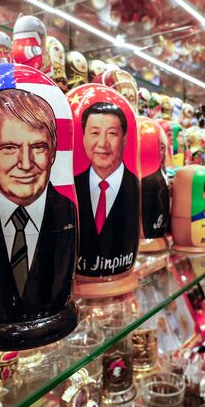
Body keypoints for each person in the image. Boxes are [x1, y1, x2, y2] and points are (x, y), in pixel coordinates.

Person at [0, 88, 76, 321]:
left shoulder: (66, 210)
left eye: (38, 147)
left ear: (52, 153)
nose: (25, 163)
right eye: (9, 148)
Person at [74, 101, 139, 277]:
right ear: (83, 137)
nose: (103, 143)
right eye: (94, 133)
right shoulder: (72, 188)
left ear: (124, 138)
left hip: (122, 276)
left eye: (112, 133)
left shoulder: (137, 187)